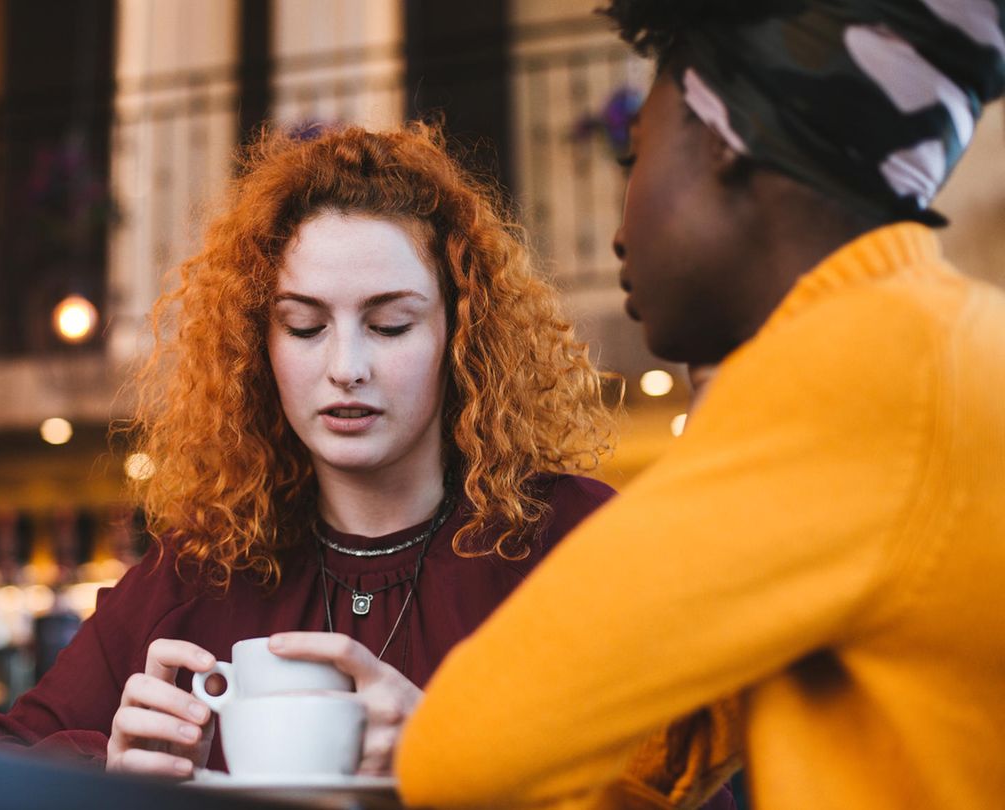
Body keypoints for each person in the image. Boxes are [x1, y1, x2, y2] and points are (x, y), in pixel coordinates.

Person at [398, 1, 1005, 808]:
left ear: (723, 140)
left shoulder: (857, 371)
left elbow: (459, 757)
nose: (619, 232)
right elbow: (661, 761)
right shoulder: (936, 345)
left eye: (635, 152)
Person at [0, 124, 621, 779]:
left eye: (390, 325)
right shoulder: (197, 570)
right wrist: (105, 776)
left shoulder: (571, 545)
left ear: (461, 334)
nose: (347, 367)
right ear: (260, 345)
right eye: (304, 326)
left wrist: (456, 761)